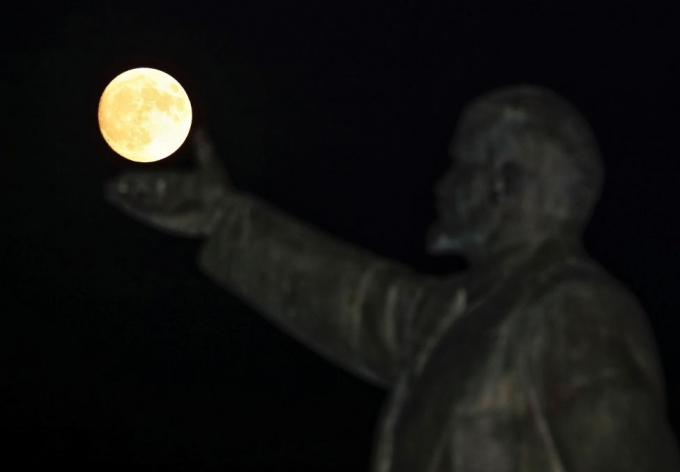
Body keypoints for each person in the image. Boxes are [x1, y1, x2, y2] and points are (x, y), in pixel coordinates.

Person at [106, 85, 680, 471]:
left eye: (459, 167)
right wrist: (224, 218)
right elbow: (361, 301)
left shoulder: (573, 312)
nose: (440, 188)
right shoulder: (470, 312)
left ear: (503, 184)